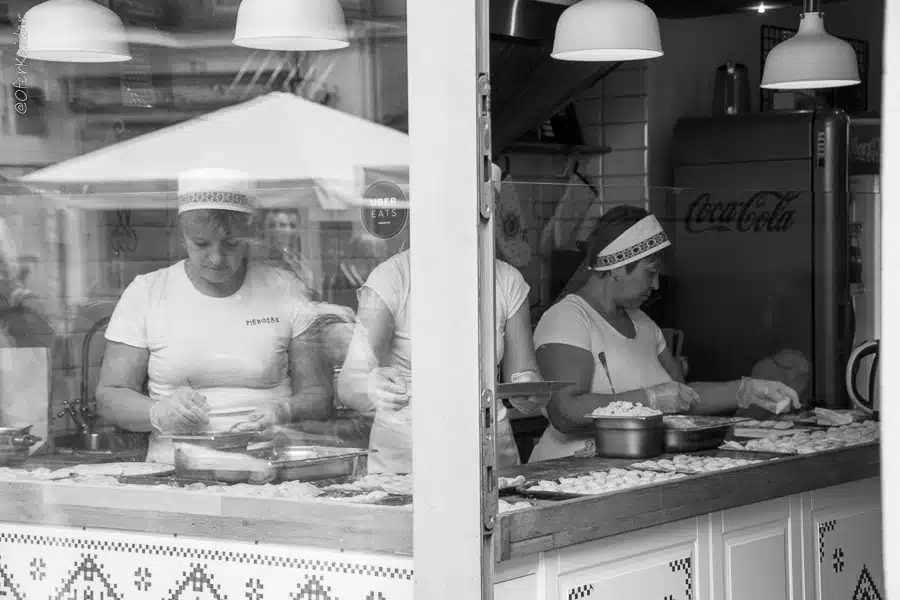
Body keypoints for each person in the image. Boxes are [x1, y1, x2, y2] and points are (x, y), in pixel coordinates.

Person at [95, 168, 332, 464]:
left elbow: (319, 395)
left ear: (251, 235)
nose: (217, 258)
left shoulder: (285, 289)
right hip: (175, 470)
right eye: (201, 244)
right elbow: (110, 396)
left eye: (231, 244)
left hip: (269, 465)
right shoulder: (147, 292)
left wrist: (285, 411)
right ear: (181, 236)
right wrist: (158, 412)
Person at [529, 205, 800, 462]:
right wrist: (649, 399)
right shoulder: (568, 319)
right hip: (571, 472)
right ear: (616, 268)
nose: (657, 285)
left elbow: (682, 399)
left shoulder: (644, 324)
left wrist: (747, 390)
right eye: (651, 273)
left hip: (633, 471)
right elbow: (565, 412)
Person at [337, 165, 545, 473]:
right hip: (408, 455)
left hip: (489, 452)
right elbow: (349, 383)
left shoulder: (507, 281)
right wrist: (372, 385)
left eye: (483, 210)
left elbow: (524, 375)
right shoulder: (393, 278)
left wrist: (530, 391)